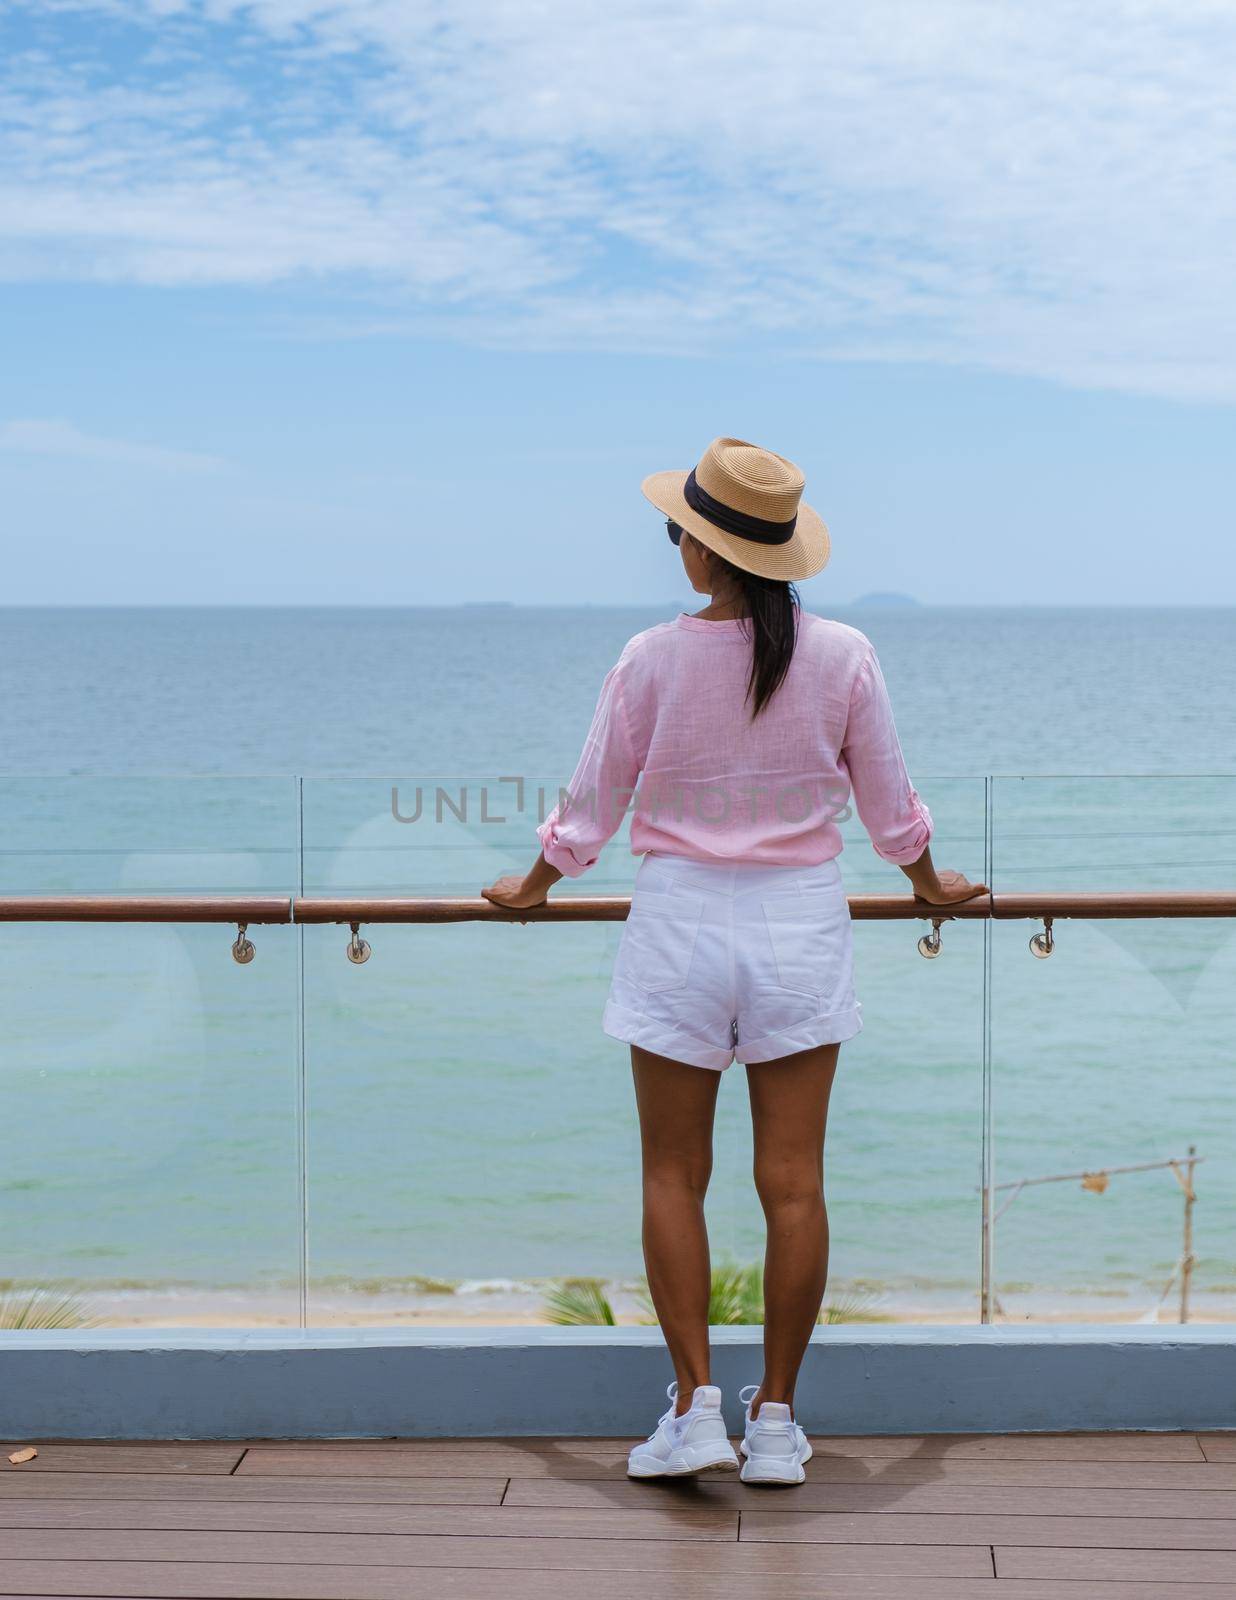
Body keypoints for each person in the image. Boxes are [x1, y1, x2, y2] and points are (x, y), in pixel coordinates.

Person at [483, 436, 984, 1485]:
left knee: (674, 1174)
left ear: (699, 553)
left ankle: (697, 1408)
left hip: (677, 932)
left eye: (683, 532)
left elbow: (588, 808)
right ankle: (775, 1423)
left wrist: (532, 888)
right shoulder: (845, 655)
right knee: (793, 1185)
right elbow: (893, 814)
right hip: (799, 930)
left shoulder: (648, 659)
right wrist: (930, 886)